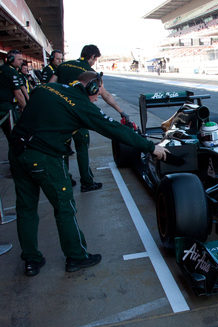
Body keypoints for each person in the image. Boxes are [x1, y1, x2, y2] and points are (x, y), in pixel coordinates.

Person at [8, 71, 169, 276]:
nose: (98, 97)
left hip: (17, 152)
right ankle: (76, 256)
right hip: (45, 158)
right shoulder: (81, 105)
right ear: (91, 87)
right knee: (64, 207)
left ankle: (31, 261)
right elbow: (113, 129)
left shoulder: (46, 88)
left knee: (26, 208)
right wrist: (150, 147)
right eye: (98, 92)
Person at [50, 44, 130, 192]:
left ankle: (66, 179)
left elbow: (50, 85)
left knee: (63, 148)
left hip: (60, 115)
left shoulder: (63, 65)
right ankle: (87, 182)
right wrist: (121, 111)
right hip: (79, 116)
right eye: (95, 59)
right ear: (92, 57)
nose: (94, 62)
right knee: (82, 148)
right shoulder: (91, 73)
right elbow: (105, 95)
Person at [0, 50, 27, 141]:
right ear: (11, 59)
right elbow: (19, 94)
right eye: (19, 59)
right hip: (6, 108)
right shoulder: (12, 72)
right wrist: (26, 109)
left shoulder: (2, 69)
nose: (21, 62)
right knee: (14, 137)